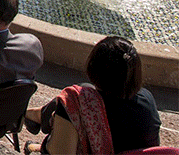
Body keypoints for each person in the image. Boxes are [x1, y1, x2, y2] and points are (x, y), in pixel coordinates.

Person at [23, 36, 160, 154]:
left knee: (74, 99)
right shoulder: (147, 99)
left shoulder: (78, 101)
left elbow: (60, 152)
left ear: (94, 68)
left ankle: (35, 115)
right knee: (82, 93)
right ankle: (39, 115)